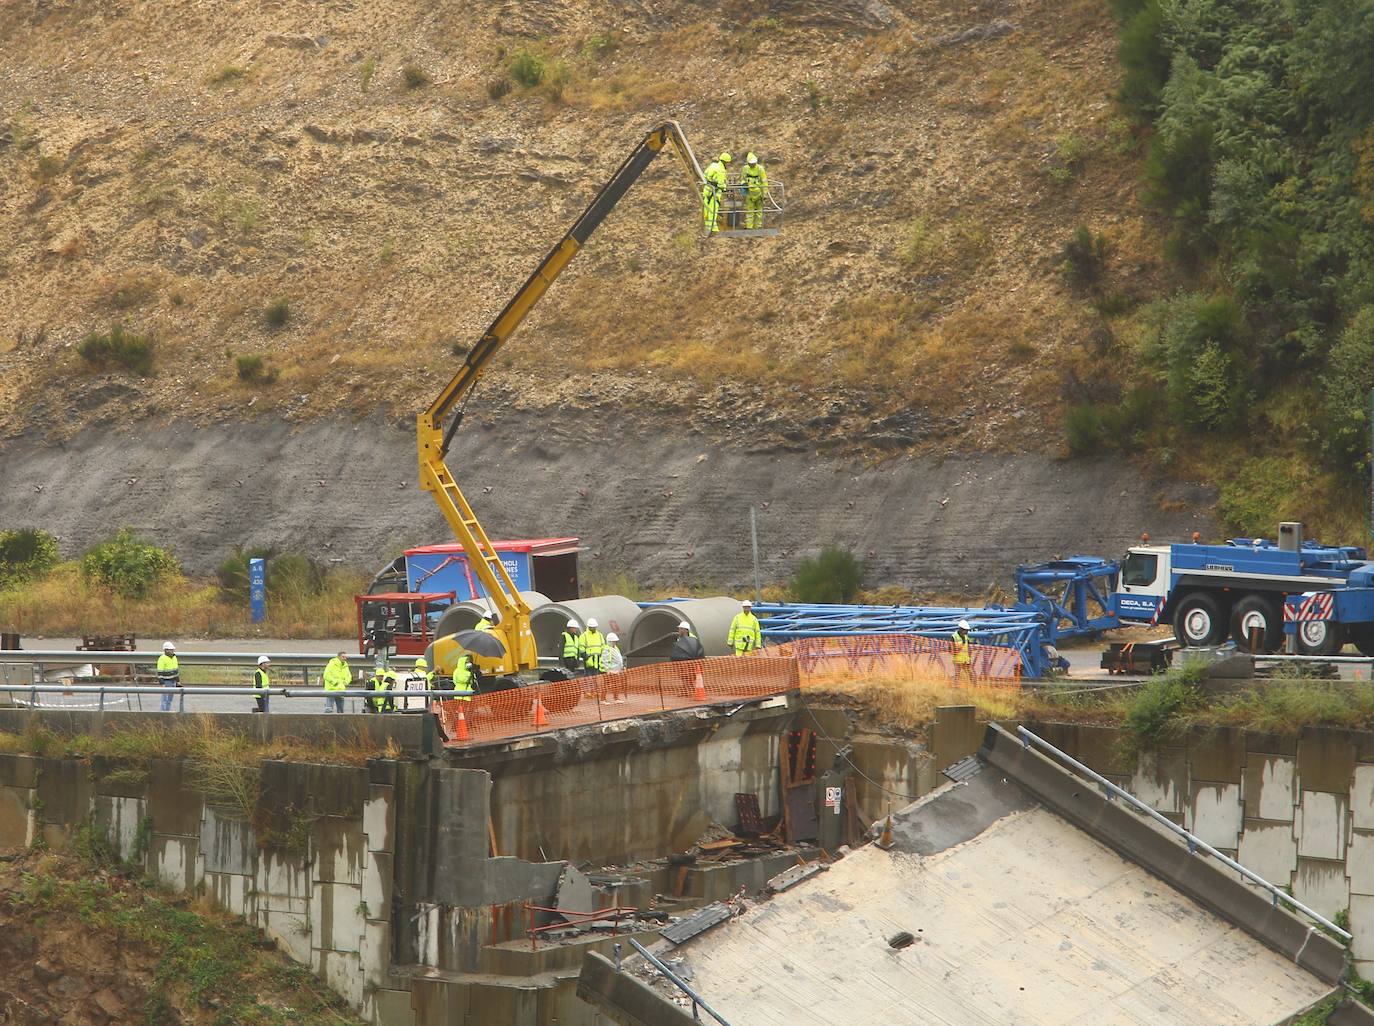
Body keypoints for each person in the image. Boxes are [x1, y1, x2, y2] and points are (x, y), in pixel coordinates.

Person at [702, 151, 731, 233]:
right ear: (725, 162)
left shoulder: (713, 165)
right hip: (715, 193)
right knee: (713, 210)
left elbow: (705, 175)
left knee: (706, 210)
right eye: (728, 163)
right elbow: (721, 184)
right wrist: (725, 188)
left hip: (707, 189)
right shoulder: (721, 171)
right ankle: (713, 230)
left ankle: (707, 228)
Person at [740, 152, 768, 229]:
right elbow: (742, 179)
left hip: (759, 193)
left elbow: (764, 182)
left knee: (759, 211)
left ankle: (758, 227)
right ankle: (749, 227)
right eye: (751, 163)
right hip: (749, 193)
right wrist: (744, 185)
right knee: (750, 211)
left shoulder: (760, 169)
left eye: (754, 163)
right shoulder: (745, 169)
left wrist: (765, 194)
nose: (752, 165)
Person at [601, 632, 627, 704]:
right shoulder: (606, 649)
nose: (614, 642)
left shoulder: (616, 648)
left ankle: (616, 698)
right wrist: (607, 670)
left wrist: (622, 667)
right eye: (613, 641)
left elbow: (619, 659)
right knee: (606, 684)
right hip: (610, 670)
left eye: (615, 641)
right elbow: (605, 660)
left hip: (616, 670)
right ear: (609, 641)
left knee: (616, 684)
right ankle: (603, 699)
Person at [157, 641, 182, 713]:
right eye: (171, 649)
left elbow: (176, 670)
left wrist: (178, 681)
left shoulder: (174, 657)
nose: (172, 651)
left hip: (173, 681)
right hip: (166, 681)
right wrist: (162, 683)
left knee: (169, 700)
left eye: (172, 649)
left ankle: (167, 712)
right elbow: (160, 672)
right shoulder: (162, 658)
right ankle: (163, 713)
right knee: (165, 699)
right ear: (166, 650)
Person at [952, 619, 974, 685]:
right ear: (961, 629)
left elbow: (968, 646)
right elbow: (951, 650)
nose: (967, 632)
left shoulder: (966, 636)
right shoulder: (954, 637)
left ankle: (974, 686)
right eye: (966, 630)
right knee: (957, 674)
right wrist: (961, 645)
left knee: (971, 674)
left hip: (966, 659)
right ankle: (955, 686)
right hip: (958, 660)